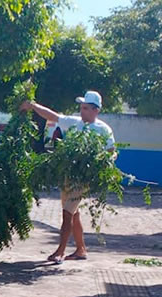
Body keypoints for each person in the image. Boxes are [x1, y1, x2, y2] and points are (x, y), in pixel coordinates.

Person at [20, 90, 115, 264]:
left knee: (67, 213)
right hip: (68, 176)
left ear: (96, 110)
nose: (82, 111)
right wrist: (33, 106)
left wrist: (97, 163)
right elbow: (53, 116)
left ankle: (60, 251)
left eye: (86, 108)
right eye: (81, 107)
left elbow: (111, 153)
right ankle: (80, 249)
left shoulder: (103, 130)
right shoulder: (74, 122)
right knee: (73, 212)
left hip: (83, 178)